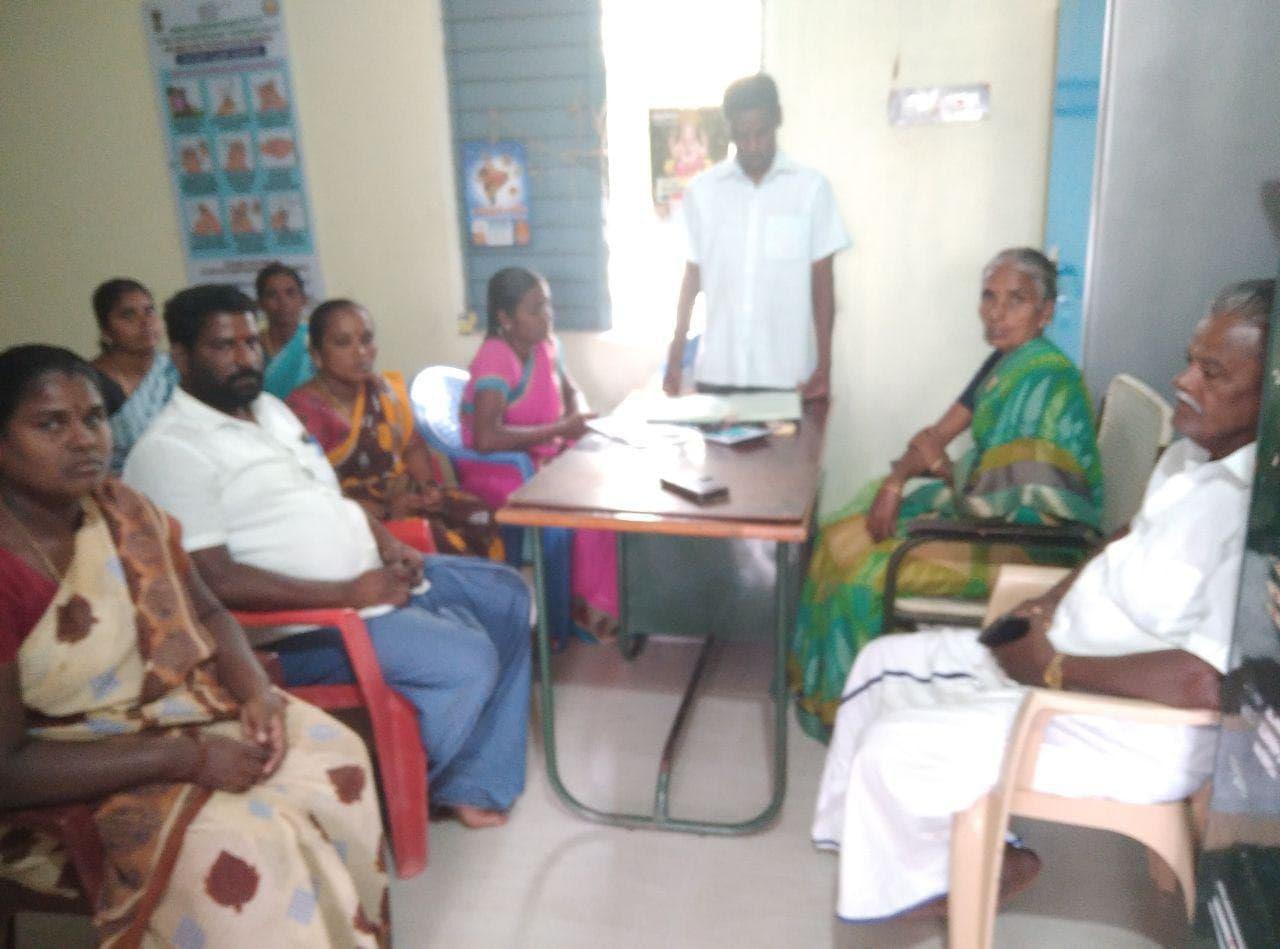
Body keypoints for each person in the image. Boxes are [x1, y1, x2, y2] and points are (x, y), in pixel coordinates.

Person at [813, 279, 1271, 923]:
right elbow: (1124, 537)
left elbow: (1204, 682)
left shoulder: (1255, 521)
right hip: (1066, 660)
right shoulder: (1190, 458)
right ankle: (899, 859)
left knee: (894, 746)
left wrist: (1052, 667)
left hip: (1121, 722)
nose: (1183, 380)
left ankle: (933, 874)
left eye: (1212, 372)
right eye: (1190, 360)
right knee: (880, 663)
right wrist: (1048, 603)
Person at [0, 345, 387, 946]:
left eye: (94, 418)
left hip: (183, 711)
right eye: (50, 424)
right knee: (253, 838)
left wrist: (255, 691)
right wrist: (185, 759)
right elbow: (8, 770)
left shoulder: (126, 511)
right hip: (72, 764)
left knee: (335, 751)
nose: (83, 440)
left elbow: (206, 609)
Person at [123, 284, 531, 829]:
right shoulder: (170, 449)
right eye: (224, 346)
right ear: (181, 355)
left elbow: (330, 499)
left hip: (372, 581)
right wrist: (348, 593)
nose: (245, 357)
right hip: (305, 630)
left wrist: (388, 544)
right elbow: (211, 580)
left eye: (251, 342)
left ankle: (469, 777)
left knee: (508, 596)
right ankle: (409, 790)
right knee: (468, 658)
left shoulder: (270, 410)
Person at [789, 248, 1104, 741]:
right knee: (836, 536)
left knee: (864, 573)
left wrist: (941, 469)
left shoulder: (1048, 380)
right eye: (989, 297)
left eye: (1016, 300)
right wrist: (896, 481)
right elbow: (933, 436)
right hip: (987, 516)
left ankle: (862, 719)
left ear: (1045, 313)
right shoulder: (1004, 362)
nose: (997, 313)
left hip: (1031, 543)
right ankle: (846, 699)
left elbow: (1017, 498)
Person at [664, 72, 850, 399]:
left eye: (761, 133)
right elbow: (692, 275)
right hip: (718, 373)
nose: (752, 145)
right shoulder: (703, 193)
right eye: (742, 135)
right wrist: (677, 350)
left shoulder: (810, 190)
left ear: (778, 118)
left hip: (789, 377)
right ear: (729, 129)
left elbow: (823, 282)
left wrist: (825, 366)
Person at [457, 267, 617, 647]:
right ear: (505, 318)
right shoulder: (495, 359)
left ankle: (595, 604)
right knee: (572, 515)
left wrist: (577, 418)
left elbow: (571, 391)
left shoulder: (547, 345)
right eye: (535, 309)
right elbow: (485, 438)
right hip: (502, 471)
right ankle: (563, 621)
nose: (547, 316)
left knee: (608, 489)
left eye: (547, 305)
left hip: (542, 457)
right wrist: (561, 429)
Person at [285, 298, 503, 559]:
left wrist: (427, 488)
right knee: (439, 540)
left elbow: (412, 446)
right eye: (343, 343)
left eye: (367, 340)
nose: (361, 352)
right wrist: (387, 510)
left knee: (480, 515)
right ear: (316, 355)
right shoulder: (303, 411)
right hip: (355, 516)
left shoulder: (384, 390)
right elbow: (310, 493)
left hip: (405, 496)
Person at [88, 278, 179, 474]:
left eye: (149, 311)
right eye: (128, 315)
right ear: (105, 329)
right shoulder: (90, 383)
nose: (145, 322)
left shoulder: (175, 369)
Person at [255, 261, 314, 398]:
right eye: (272, 295)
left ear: (303, 299)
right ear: (260, 304)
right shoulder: (252, 347)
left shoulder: (316, 341)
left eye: (290, 293)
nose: (283, 301)